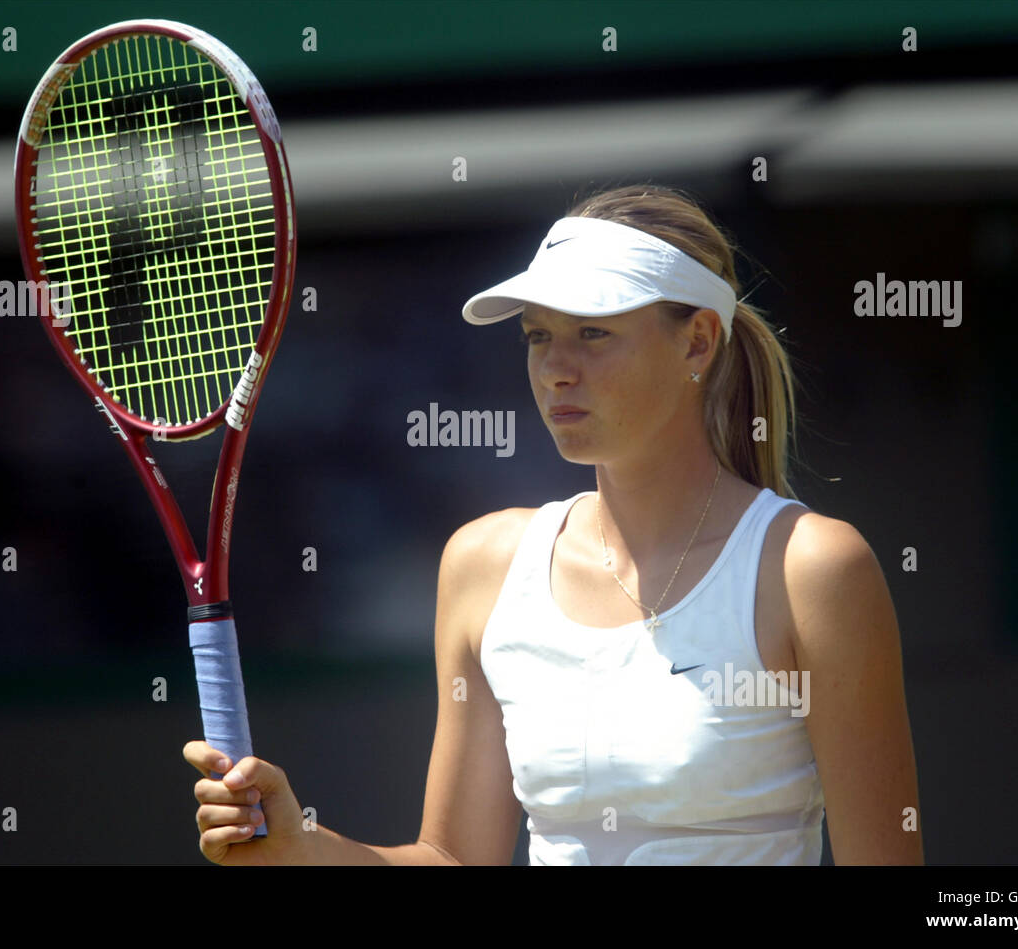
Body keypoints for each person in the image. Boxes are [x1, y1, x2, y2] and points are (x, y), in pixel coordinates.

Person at [184, 183, 924, 865]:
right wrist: (300, 847)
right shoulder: (483, 564)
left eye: (593, 334)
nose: (556, 369)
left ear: (698, 341)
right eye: (538, 336)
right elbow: (452, 859)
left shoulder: (814, 568)